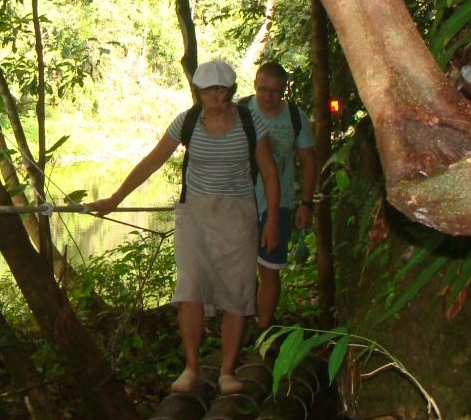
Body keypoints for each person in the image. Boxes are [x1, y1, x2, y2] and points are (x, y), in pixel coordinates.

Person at [88, 60, 279, 395]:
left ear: (230, 92)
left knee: (237, 291)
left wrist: (272, 219)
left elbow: (270, 173)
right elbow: (152, 160)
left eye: (221, 90)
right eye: (208, 90)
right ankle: (191, 367)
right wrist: (115, 198)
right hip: (194, 215)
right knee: (190, 288)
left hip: (238, 214)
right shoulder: (187, 122)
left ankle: (227, 372)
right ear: (199, 93)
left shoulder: (251, 122)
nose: (215, 97)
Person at [241, 61, 316, 331]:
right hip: (240, 202)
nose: (268, 96)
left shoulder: (295, 117)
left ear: (284, 89)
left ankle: (264, 328)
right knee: (240, 268)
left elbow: (308, 160)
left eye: (274, 91)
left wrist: (306, 203)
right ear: (255, 86)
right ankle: (242, 323)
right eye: (262, 89)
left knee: (269, 270)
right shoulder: (241, 110)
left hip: (280, 204)